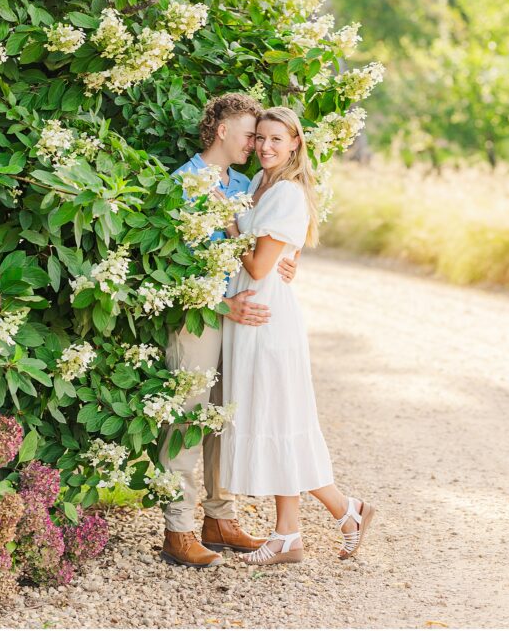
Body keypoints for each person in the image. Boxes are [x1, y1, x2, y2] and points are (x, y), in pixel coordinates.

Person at [220, 106, 376, 565]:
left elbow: (258, 265)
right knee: (274, 422)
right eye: (260, 138)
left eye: (276, 139)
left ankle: (345, 510)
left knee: (279, 422)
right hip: (253, 314)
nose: (265, 147)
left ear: (295, 144)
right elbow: (274, 253)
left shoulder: (285, 192)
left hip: (268, 322)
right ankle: (290, 533)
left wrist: (227, 220)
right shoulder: (259, 184)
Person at [158, 93, 299, 568]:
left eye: (263, 137)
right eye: (249, 134)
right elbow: (166, 269)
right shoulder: (182, 183)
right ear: (221, 131)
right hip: (198, 317)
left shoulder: (246, 183)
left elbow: (266, 241)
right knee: (188, 418)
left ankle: (219, 518)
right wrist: (222, 304)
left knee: (224, 418)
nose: (255, 143)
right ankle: (177, 530)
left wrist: (287, 261)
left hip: (239, 323)